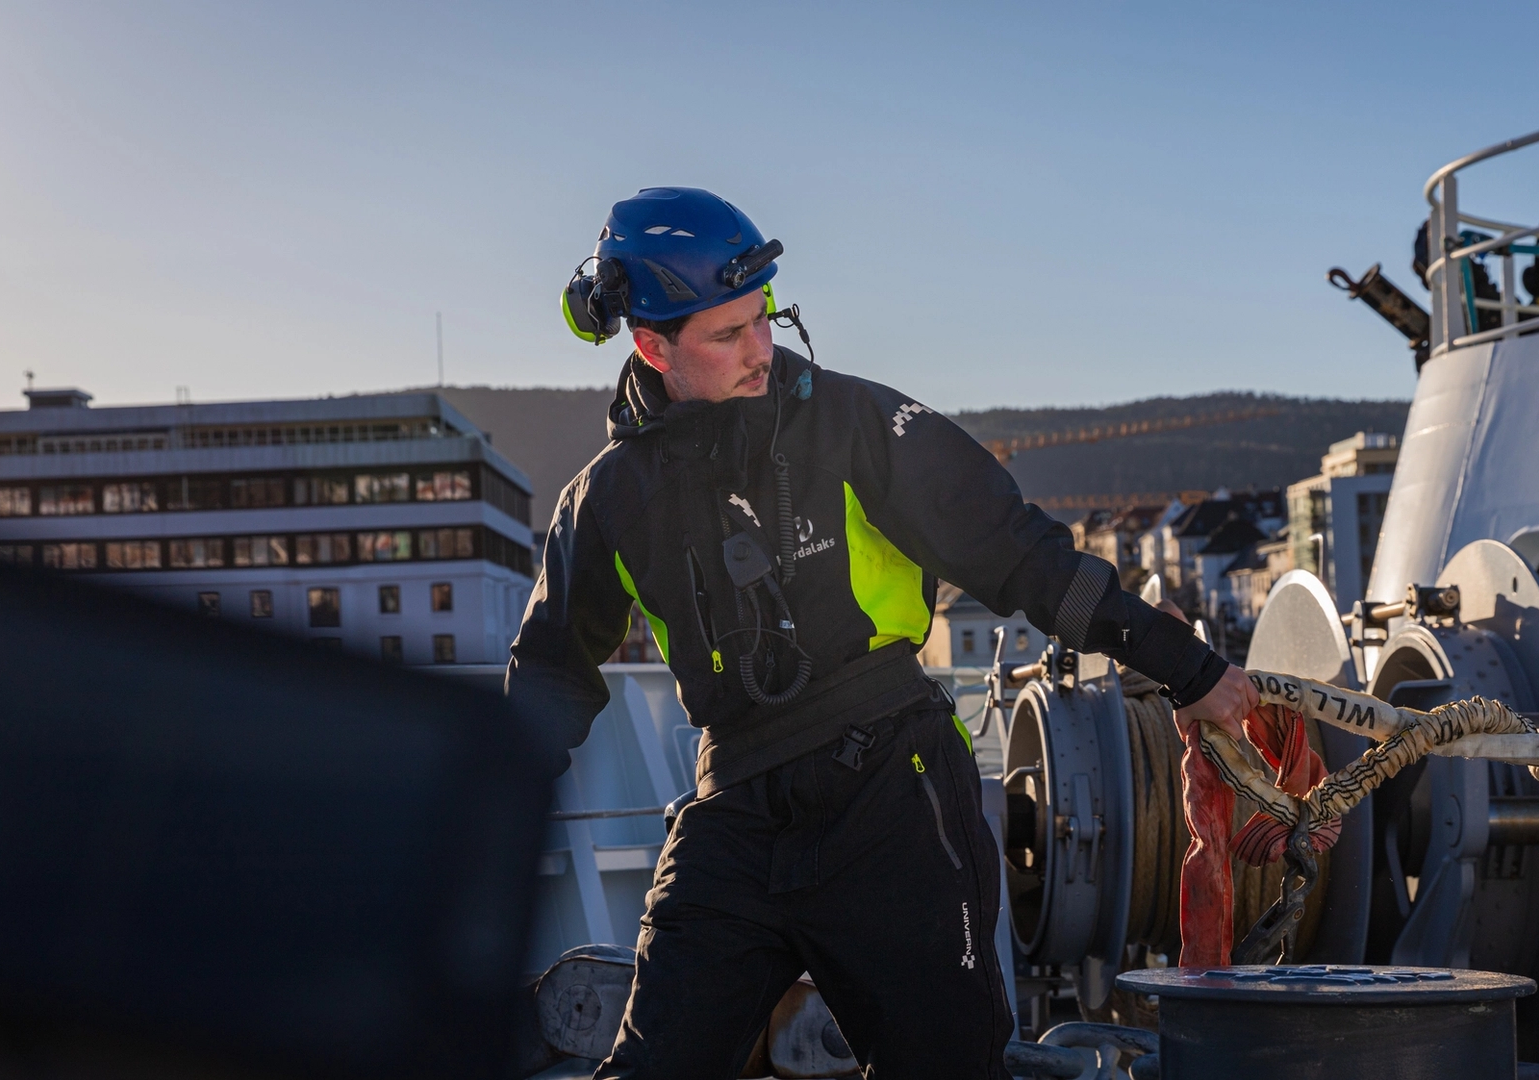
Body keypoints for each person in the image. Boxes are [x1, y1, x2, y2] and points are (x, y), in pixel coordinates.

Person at [508, 187, 1258, 1079]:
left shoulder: (858, 423)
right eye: (728, 334)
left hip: (892, 793)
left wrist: (1186, 667)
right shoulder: (605, 502)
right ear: (652, 345)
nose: (761, 349)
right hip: (734, 813)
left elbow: (1019, 554)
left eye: (766, 318)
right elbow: (549, 680)